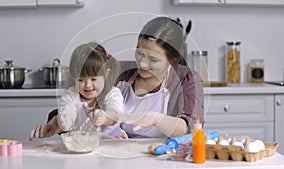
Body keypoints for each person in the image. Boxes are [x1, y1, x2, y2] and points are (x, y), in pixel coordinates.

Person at [30, 16, 204, 140]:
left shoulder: (187, 79)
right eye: (140, 52)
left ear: (172, 59)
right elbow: (78, 102)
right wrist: (54, 125)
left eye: (153, 59)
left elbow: (189, 127)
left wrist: (156, 119)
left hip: (164, 159)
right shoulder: (120, 72)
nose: (142, 64)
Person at [29, 42, 127, 140]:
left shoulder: (112, 93)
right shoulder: (72, 94)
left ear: (106, 73)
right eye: (81, 80)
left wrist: (105, 117)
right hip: (81, 144)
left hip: (111, 142)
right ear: (74, 77)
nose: (88, 85)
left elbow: (115, 113)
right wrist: (63, 121)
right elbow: (67, 110)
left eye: (93, 79)